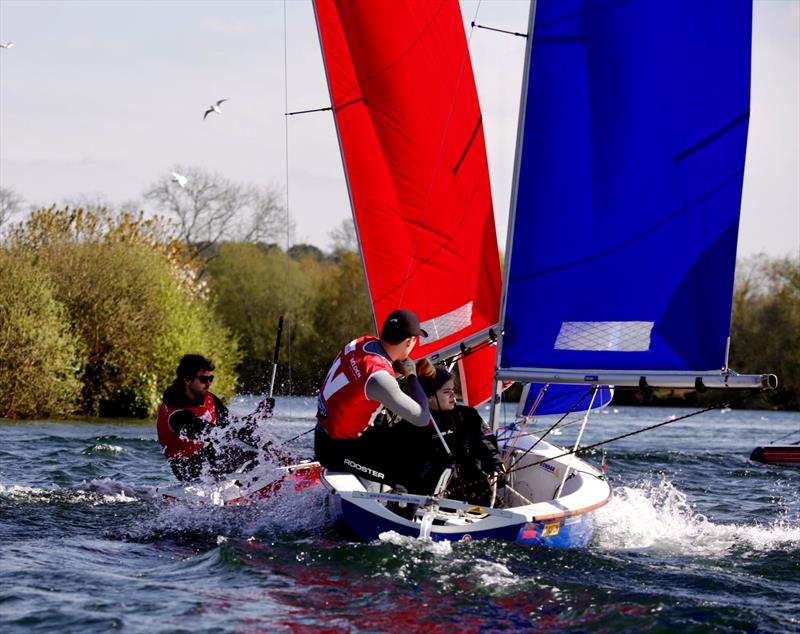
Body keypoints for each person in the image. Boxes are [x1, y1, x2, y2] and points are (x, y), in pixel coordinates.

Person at [314, 309, 432, 488]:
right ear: (410, 341)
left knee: (407, 440)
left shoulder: (362, 342)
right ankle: (400, 508)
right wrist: (411, 376)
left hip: (325, 433)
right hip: (337, 450)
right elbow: (422, 418)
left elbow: (362, 372)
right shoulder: (378, 377)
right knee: (416, 473)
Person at [156, 354, 273, 481]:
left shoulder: (209, 398)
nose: (208, 383)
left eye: (210, 378)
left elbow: (234, 426)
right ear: (187, 380)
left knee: (261, 458)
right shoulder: (177, 415)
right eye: (203, 379)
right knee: (254, 462)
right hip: (187, 467)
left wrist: (270, 447)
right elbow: (219, 434)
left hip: (209, 454)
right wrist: (256, 416)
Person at [411, 361, 506, 506]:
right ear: (428, 396)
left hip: (476, 491)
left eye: (453, 389)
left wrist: (496, 464)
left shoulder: (468, 414)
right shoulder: (417, 421)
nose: (453, 395)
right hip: (434, 498)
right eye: (446, 391)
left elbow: (486, 441)